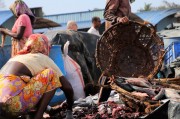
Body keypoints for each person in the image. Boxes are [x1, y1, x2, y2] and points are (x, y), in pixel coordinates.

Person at [0, 34, 74, 119]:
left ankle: (42, 112)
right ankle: (38, 116)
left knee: (35, 84)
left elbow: (35, 92)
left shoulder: (16, 58)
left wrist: (51, 110)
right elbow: (67, 87)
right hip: (13, 104)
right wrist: (69, 108)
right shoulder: (42, 57)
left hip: (2, 106)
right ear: (44, 46)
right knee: (51, 74)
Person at [98, 0, 149, 103]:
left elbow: (129, 15)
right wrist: (118, 19)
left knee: (122, 68)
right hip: (117, 37)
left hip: (126, 37)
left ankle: (128, 96)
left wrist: (143, 22)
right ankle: (101, 100)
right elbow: (107, 14)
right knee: (111, 69)